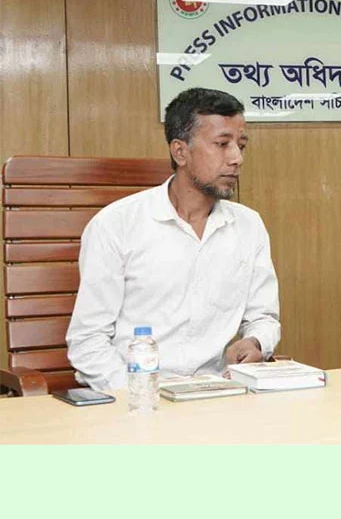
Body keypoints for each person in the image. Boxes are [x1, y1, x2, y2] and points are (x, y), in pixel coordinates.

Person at [66, 88, 281, 391]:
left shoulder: (249, 226)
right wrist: (141, 392)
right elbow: (88, 342)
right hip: (136, 396)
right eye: (222, 144)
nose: (237, 158)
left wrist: (256, 341)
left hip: (219, 393)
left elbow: (264, 317)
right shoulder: (116, 225)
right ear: (180, 152)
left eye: (240, 145)